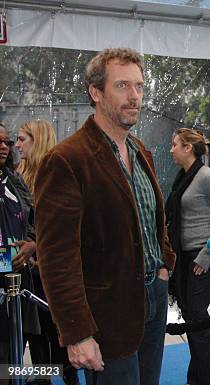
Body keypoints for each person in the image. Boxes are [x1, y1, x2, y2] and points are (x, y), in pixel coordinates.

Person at [34, 48, 176, 385]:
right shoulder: (67, 160)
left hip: (153, 297)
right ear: (95, 92)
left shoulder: (140, 151)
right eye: (122, 86)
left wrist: (164, 266)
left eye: (140, 86)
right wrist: (76, 333)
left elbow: (154, 220)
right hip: (107, 311)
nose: (135, 97)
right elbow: (56, 257)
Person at [165, 128, 210, 385]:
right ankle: (200, 377)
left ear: (187, 148)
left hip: (200, 258)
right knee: (192, 316)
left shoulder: (207, 177)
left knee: (196, 315)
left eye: (175, 144)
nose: (171, 149)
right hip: (185, 257)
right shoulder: (183, 178)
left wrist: (207, 255)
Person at [15, 119, 79, 385]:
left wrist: (37, 246)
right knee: (35, 336)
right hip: (27, 272)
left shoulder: (53, 175)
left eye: (22, 139)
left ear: (37, 140)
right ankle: (43, 378)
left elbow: (65, 225)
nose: (16, 145)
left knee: (57, 336)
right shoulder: (16, 175)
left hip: (50, 271)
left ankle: (67, 377)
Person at [0, 123, 39, 385]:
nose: (5, 147)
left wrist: (32, 243)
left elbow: (35, 219)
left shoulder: (14, 180)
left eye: (7, 142)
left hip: (17, 277)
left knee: (11, 353)